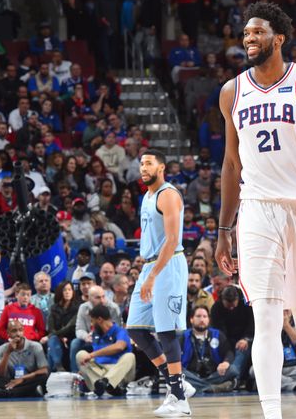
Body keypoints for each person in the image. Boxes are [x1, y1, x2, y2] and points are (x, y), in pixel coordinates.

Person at [215, 3, 296, 419]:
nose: (248, 38)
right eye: (245, 33)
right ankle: (272, 415)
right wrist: (223, 228)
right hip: (256, 211)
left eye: (257, 32)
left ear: (279, 37)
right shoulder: (232, 91)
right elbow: (231, 164)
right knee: (265, 320)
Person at [126, 148, 192, 417]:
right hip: (150, 265)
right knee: (136, 328)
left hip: (169, 265)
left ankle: (179, 399)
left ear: (161, 167)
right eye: (141, 163)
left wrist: (153, 276)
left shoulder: (168, 195)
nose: (143, 168)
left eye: (149, 163)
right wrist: (147, 272)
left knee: (165, 332)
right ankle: (179, 383)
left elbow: (172, 239)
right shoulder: (147, 195)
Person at [76, 304, 135, 396]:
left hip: (119, 372)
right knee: (81, 355)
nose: (91, 324)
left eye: (92, 321)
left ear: (99, 319)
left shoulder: (120, 331)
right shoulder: (95, 334)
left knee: (130, 357)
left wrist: (92, 355)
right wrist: (85, 367)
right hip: (101, 371)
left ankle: (108, 383)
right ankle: (102, 387)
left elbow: (119, 346)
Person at [181, 305, 238, 393]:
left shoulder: (217, 334)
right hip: (192, 374)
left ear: (208, 319)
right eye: (198, 316)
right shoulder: (184, 336)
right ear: (191, 319)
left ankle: (198, 387)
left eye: (205, 316)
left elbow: (229, 352)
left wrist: (225, 362)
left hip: (214, 374)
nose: (202, 319)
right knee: (178, 371)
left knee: (233, 369)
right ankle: (212, 387)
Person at [0, 320, 49, 398]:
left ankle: (6, 393)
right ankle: (32, 392)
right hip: (11, 381)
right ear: (8, 334)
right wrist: (7, 352)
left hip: (28, 379)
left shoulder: (35, 346)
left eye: (20, 330)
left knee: (43, 377)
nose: (18, 334)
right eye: (14, 331)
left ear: (23, 331)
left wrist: (22, 379)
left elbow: (44, 370)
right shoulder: (2, 349)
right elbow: (0, 374)